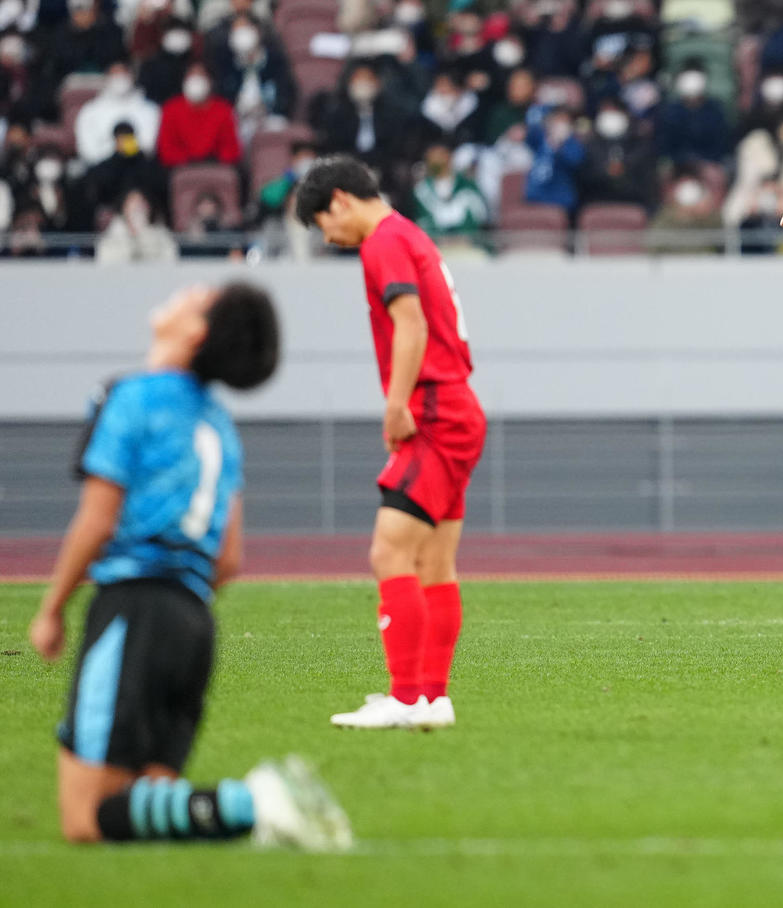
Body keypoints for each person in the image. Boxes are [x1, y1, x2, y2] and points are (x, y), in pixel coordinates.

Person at [27, 281, 349, 849]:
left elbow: (98, 522)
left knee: (84, 818)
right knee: (146, 812)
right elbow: (229, 558)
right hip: (194, 624)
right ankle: (246, 812)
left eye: (195, 298)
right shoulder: (220, 426)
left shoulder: (130, 398)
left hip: (133, 610)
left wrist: (52, 607)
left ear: (197, 331)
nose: (181, 295)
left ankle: (251, 803)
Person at [295, 156, 487, 729]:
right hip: (457, 406)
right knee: (434, 562)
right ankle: (433, 697)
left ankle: (405, 699)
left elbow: (411, 323)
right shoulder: (410, 234)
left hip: (432, 410)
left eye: (323, 224)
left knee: (389, 552)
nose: (328, 237)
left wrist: (397, 402)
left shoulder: (383, 243)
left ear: (339, 201)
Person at [156, 62, 242, 168]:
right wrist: (188, 160)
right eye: (191, 76)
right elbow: (166, 149)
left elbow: (232, 149)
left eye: (201, 76)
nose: (196, 81)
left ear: (210, 81)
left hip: (217, 167)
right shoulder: (171, 109)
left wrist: (213, 161)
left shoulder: (223, 109)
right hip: (180, 168)